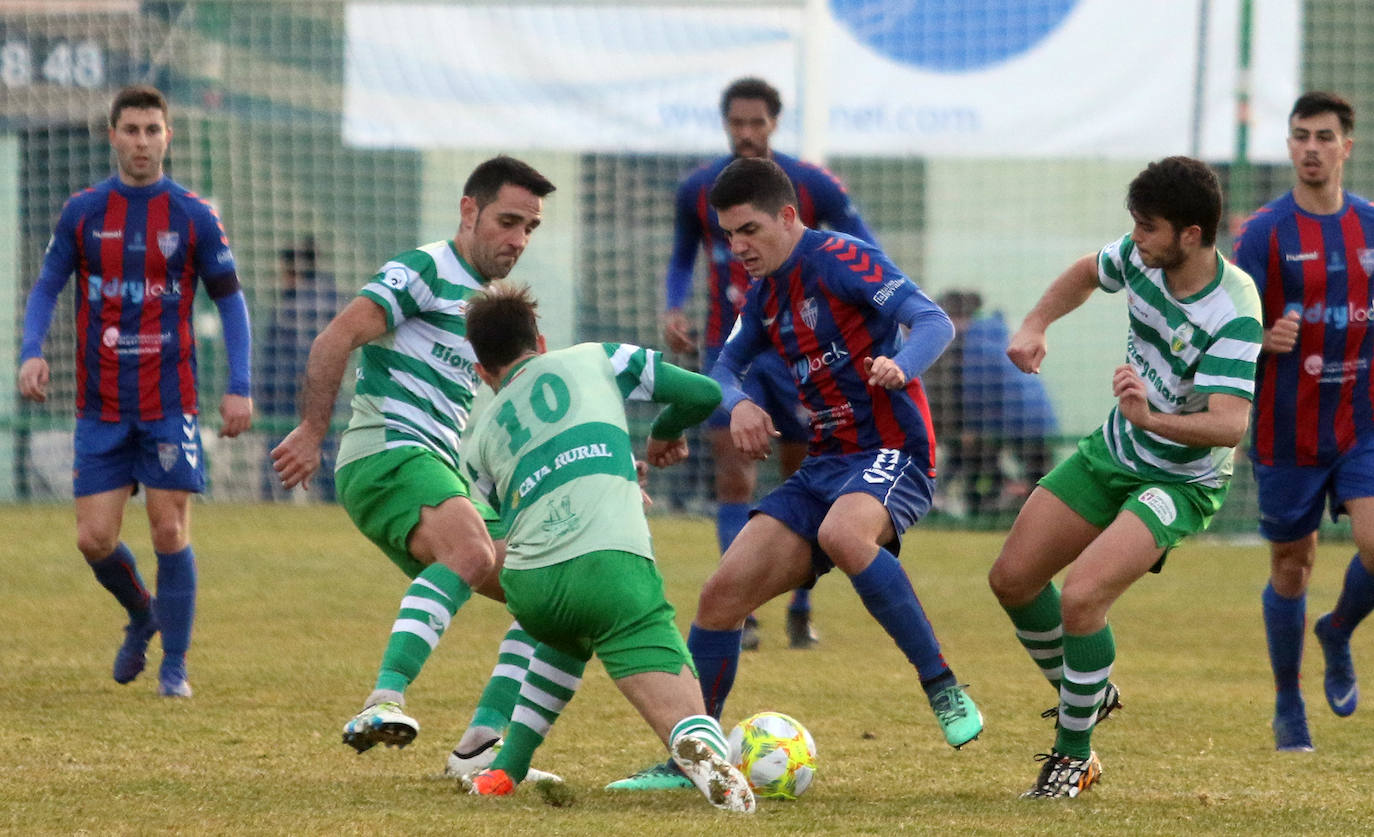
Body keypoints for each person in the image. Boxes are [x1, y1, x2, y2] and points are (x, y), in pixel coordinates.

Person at [611, 156, 982, 791]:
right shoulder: (760, 296)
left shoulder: (842, 256)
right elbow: (722, 372)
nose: (737, 248)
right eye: (727, 236)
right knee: (719, 598)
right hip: (827, 463)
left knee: (845, 534)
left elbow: (932, 320)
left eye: (749, 230)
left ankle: (942, 686)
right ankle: (691, 759)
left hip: (893, 450)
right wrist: (742, 404)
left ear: (788, 217)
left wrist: (903, 366)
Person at [270, 156, 576, 772]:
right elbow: (335, 337)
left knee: (551, 597)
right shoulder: (424, 269)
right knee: (471, 553)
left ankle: (479, 745)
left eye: (529, 228)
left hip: (441, 467)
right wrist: (311, 430)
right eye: (507, 221)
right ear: (469, 211)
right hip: (388, 449)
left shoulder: (492, 305)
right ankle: (382, 700)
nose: (517, 240)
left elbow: (521, 400)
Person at [987, 156, 1262, 798]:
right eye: (1134, 226)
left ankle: (1072, 759)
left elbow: (1229, 426)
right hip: (1115, 449)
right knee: (1012, 580)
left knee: (1082, 597)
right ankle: (1090, 691)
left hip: (1182, 480)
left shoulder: (1234, 311)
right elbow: (1088, 271)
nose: (1136, 239)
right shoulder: (1144, 257)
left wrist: (1153, 415)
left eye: (1148, 228)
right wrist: (1035, 325)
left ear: (1190, 235)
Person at [456, 283, 754, 813]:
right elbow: (705, 395)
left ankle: (505, 769)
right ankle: (700, 750)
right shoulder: (596, 356)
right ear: (542, 342)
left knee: (565, 636)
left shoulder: (477, 438)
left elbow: (484, 528)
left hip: (530, 584)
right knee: (673, 690)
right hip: (611, 564)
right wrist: (664, 431)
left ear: (482, 373)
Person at [17, 84, 252, 698]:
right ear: (112, 135)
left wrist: (240, 385)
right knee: (93, 538)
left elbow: (231, 302)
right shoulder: (84, 211)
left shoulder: (194, 215)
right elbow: (46, 286)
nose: (142, 141)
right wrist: (30, 351)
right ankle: (143, 612)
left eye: (153, 130)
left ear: (167, 136)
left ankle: (174, 668)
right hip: (100, 406)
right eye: (131, 130)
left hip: (169, 402)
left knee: (169, 530)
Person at [662, 77, 878, 651]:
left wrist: (869, 310)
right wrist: (672, 307)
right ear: (725, 123)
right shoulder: (699, 189)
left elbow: (865, 245)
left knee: (805, 474)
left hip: (804, 352)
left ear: (774, 124)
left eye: (757, 123)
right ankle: (744, 614)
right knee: (734, 476)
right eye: (738, 123)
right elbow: (684, 256)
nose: (747, 134)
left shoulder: (808, 184)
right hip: (729, 352)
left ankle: (800, 608)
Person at [1233, 91, 1374, 752]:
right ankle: (1289, 700)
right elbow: (1228, 325)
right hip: (1288, 429)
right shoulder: (1264, 232)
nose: (1310, 148)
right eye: (1299, 137)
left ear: (1347, 146)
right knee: (1293, 564)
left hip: (1362, 421)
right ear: (1289, 146)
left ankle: (1339, 628)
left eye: (1323, 137)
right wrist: (1264, 337)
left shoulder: (1371, 226)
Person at [258, 237, 342, 500]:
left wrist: (263, 395)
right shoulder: (331, 298)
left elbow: (283, 353)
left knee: (279, 462)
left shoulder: (293, 306)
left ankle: (272, 506)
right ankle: (337, 506)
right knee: (329, 461)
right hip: (326, 396)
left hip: (287, 395)